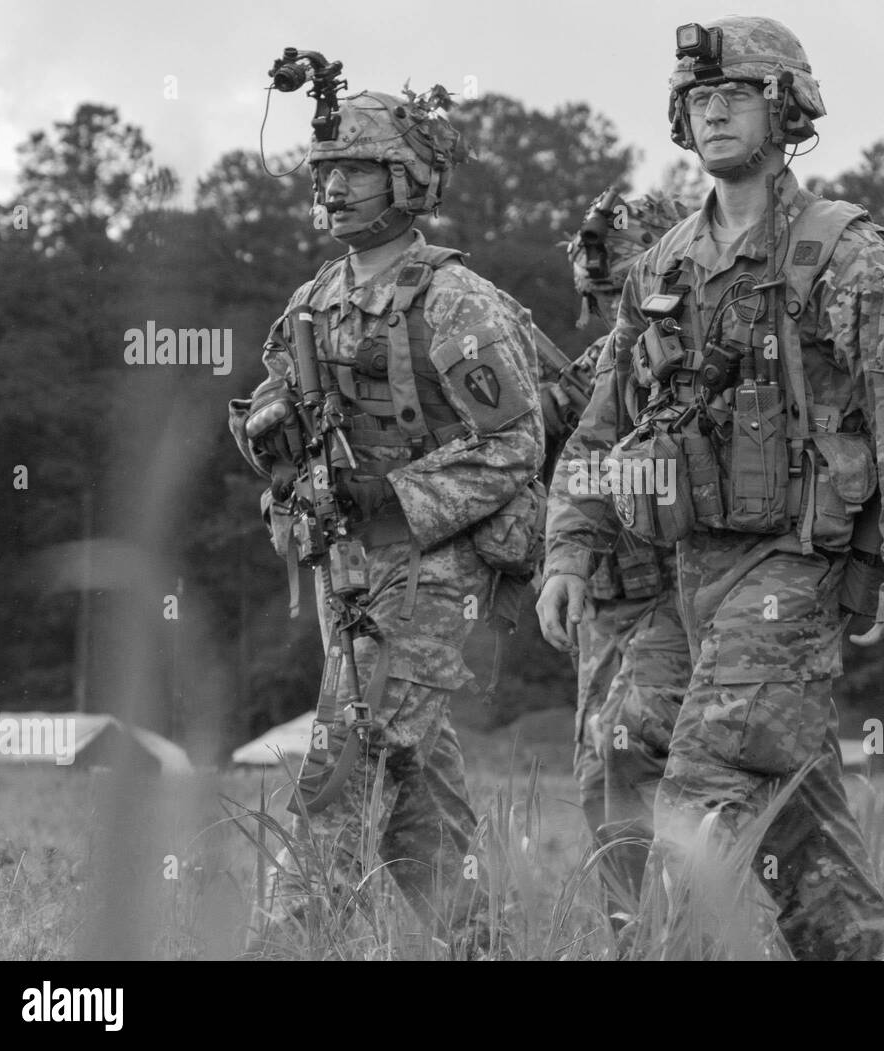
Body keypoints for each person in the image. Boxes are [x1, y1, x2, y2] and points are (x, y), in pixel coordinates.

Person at [537, 16, 884, 959]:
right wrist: (570, 547)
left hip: (792, 570)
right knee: (653, 757)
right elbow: (603, 424)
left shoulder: (845, 253)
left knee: (703, 780)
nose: (714, 114)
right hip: (686, 568)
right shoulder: (661, 269)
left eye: (735, 96)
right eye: (698, 101)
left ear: (786, 113)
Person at [228, 83, 544, 953]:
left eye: (357, 170)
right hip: (348, 567)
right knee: (412, 766)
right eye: (325, 170)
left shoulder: (454, 300)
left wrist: (395, 495)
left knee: (347, 749)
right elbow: (273, 416)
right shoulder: (312, 302)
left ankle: (291, 941)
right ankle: (474, 943)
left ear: (408, 179)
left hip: (433, 564)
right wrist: (273, 443)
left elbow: (515, 444)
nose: (332, 187)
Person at [547, 188, 692, 912]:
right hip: (609, 603)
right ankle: (631, 936)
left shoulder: (687, 355)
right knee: (594, 780)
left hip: (684, 591)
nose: (608, 310)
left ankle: (692, 933)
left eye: (619, 291)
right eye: (597, 295)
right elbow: (576, 458)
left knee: (637, 747)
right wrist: (563, 559)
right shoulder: (586, 377)